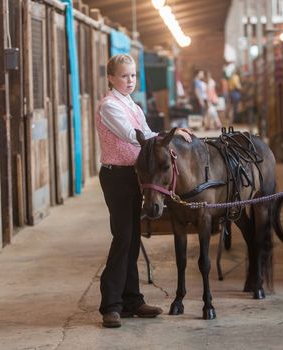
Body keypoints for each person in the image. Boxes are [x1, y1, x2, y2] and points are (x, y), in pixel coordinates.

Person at [96, 54, 193, 328]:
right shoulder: (109, 106)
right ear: (111, 78)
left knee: (133, 237)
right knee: (123, 237)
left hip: (135, 176)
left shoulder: (133, 105)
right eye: (124, 76)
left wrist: (167, 140)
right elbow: (134, 135)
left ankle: (132, 301)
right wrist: (173, 133)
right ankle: (111, 305)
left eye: (133, 76)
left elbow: (148, 133)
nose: (129, 81)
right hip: (116, 176)